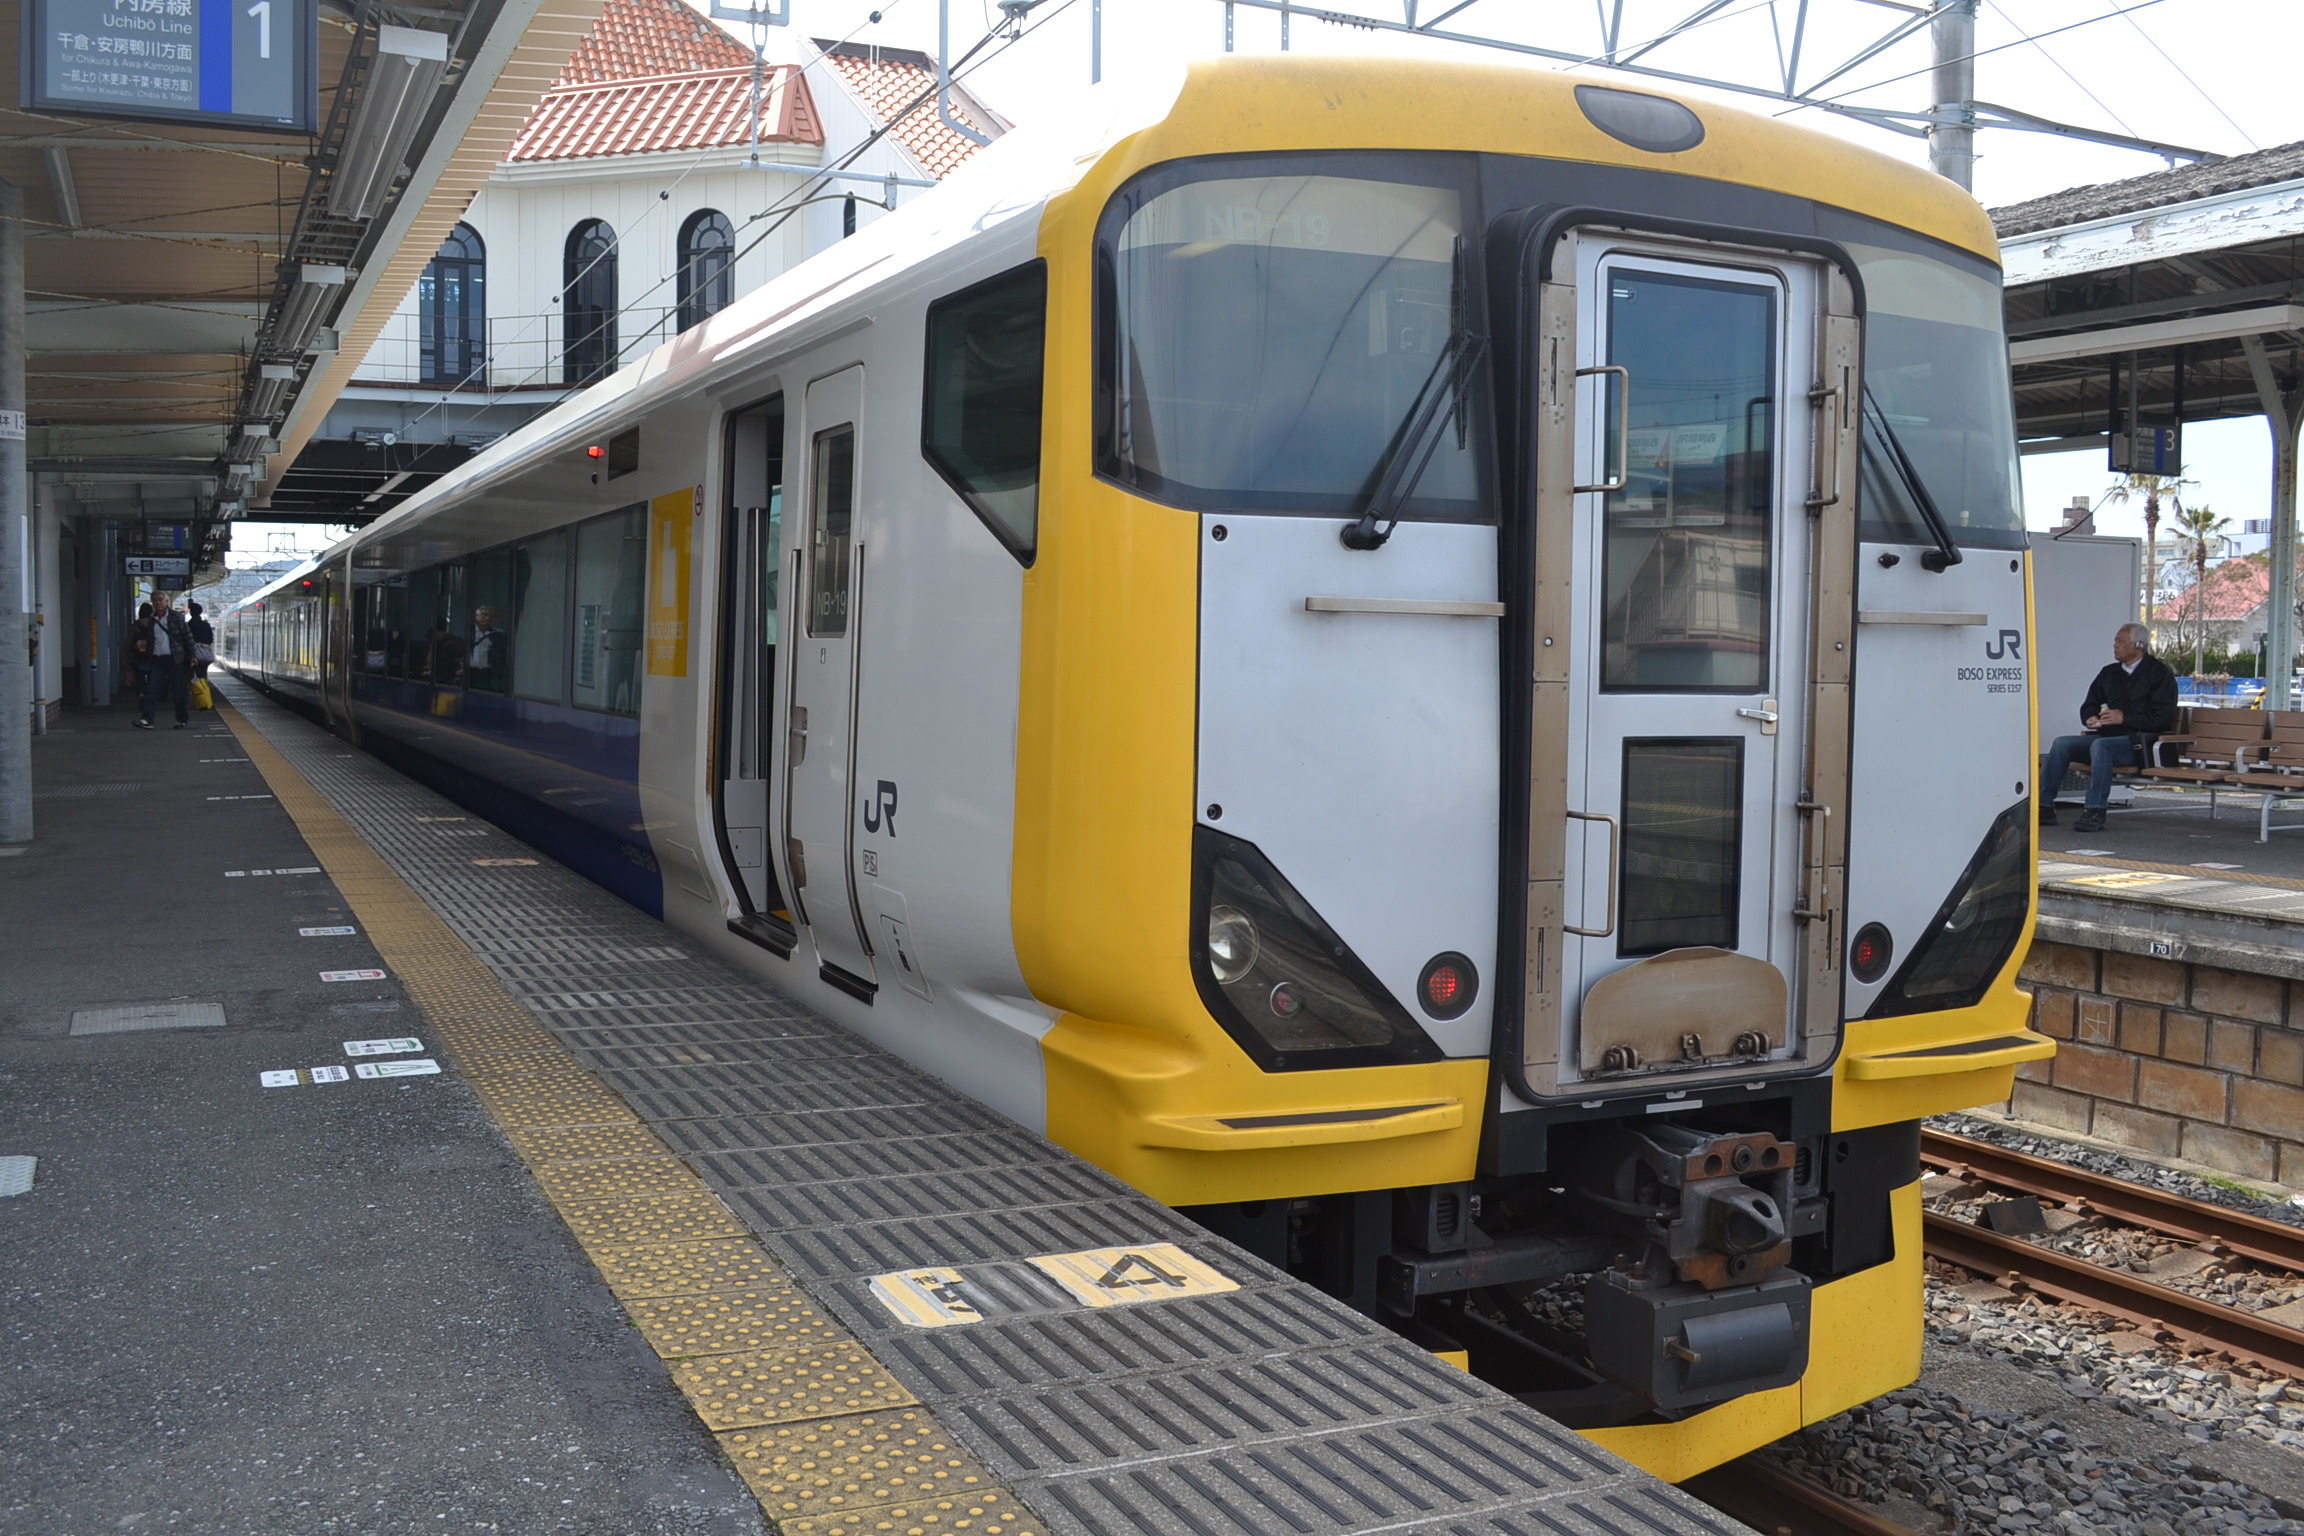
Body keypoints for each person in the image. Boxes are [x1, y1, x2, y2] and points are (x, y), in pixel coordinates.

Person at [2040, 622, 2178, 833]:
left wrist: (2125, 718)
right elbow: (2090, 703)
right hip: (2107, 737)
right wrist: (2090, 718)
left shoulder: (2159, 674)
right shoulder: (2109, 673)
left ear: (2139, 645)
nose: (2115, 646)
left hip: (2138, 743)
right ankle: (2044, 805)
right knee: (2062, 744)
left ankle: (2095, 809)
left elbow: (2161, 717)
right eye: (2115, 641)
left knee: (2101, 746)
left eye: (2121, 642)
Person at [129, 590, 195, 729]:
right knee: (152, 689)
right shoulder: (151, 620)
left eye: (160, 600)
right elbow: (151, 638)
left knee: (178, 691)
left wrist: (193, 655)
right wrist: (144, 644)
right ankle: (147, 720)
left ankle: (182, 719)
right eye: (155, 600)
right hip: (157, 659)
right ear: (152, 603)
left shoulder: (176, 617)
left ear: (166, 602)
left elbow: (187, 636)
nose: (158, 603)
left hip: (175, 659)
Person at [184, 600, 215, 680]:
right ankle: (203, 690)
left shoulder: (188, 625)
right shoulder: (206, 625)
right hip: (204, 655)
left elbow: (185, 640)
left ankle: (192, 691)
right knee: (202, 675)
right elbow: (210, 639)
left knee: (190, 676)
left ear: (191, 612)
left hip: (191, 655)